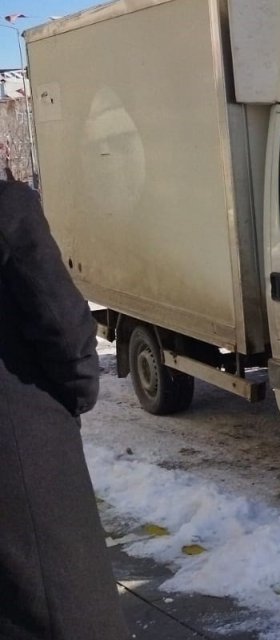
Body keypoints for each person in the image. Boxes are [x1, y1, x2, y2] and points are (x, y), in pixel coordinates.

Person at [0, 180, 129, 639]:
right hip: (22, 456)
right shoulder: (8, 207)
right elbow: (65, 327)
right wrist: (73, 396)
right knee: (59, 606)